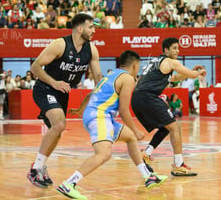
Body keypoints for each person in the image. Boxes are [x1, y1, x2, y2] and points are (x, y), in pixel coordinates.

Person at [56, 51, 167, 199]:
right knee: (104, 154)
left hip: (98, 115)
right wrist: (136, 129)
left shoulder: (111, 74)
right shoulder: (128, 79)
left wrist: (80, 109)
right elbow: (123, 109)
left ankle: (148, 177)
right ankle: (69, 184)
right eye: (138, 66)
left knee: (130, 138)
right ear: (135, 65)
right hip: (100, 116)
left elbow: (92, 94)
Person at [27, 14, 102, 188]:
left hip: (63, 92)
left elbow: (98, 78)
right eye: (91, 27)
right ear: (80, 28)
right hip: (45, 87)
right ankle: (35, 169)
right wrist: (53, 82)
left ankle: (41, 166)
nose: (94, 31)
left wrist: (95, 102)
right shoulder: (60, 44)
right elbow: (35, 67)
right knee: (59, 124)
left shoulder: (92, 50)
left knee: (58, 131)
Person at [132, 37, 206, 176]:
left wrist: (189, 72)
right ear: (166, 50)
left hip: (137, 98)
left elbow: (173, 79)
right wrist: (198, 72)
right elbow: (191, 75)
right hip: (148, 97)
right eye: (174, 48)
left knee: (167, 127)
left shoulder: (158, 62)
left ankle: (146, 154)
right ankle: (178, 165)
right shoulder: (171, 61)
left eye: (178, 48)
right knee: (175, 127)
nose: (177, 51)